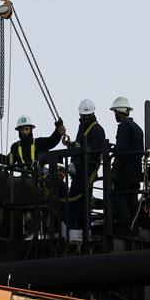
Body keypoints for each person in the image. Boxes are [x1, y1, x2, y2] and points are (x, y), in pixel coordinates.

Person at [65, 100, 106, 235]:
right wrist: (70, 146)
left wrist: (76, 164)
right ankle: (78, 231)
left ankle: (78, 232)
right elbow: (79, 146)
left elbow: (92, 154)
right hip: (79, 172)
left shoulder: (97, 130)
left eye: (85, 116)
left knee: (78, 203)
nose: (83, 118)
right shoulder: (83, 127)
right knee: (78, 203)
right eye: (82, 116)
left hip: (86, 172)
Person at [108, 97, 143, 232]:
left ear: (119, 111)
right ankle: (135, 229)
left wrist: (114, 171)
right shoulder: (138, 129)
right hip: (136, 173)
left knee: (117, 197)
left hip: (125, 173)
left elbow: (121, 152)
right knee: (132, 202)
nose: (115, 115)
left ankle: (126, 227)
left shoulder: (123, 127)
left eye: (115, 112)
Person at [0, 114, 67, 171]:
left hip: (39, 177)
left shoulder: (39, 142)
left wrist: (57, 131)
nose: (24, 132)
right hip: (24, 179)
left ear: (31, 130)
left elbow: (52, 141)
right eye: (22, 129)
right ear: (19, 131)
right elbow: (8, 161)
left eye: (26, 129)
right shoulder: (15, 147)